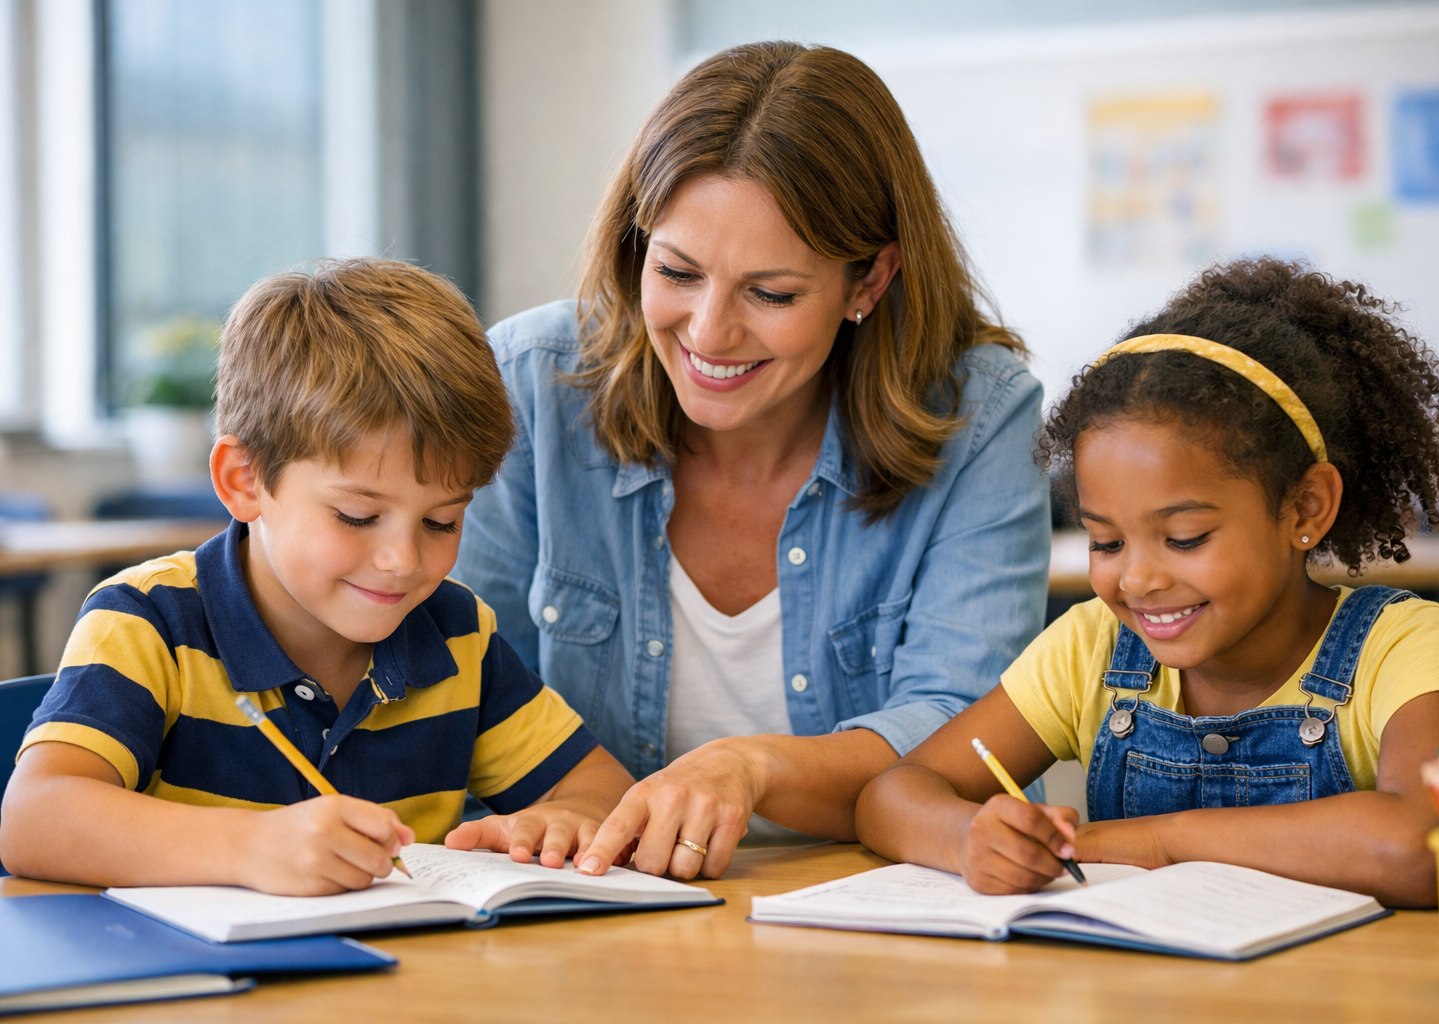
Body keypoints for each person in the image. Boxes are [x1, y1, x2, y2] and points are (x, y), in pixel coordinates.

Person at [453, 40, 1052, 880]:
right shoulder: (528, 385)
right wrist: (548, 817)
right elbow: (458, 691)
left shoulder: (979, 419)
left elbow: (961, 731)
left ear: (868, 282)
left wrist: (752, 766)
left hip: (863, 917)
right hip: (585, 908)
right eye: (677, 271)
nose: (707, 333)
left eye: (771, 294)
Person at [854, 256, 1439, 908]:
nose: (1136, 578)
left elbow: (1425, 844)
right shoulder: (1093, 648)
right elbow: (890, 795)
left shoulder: (1404, 646)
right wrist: (967, 836)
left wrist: (1156, 843)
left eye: (1185, 538)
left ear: (1305, 509)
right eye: (1106, 540)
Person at [0, 258, 633, 895]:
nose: (403, 560)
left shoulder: (455, 633)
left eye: (441, 522)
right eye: (357, 516)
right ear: (244, 482)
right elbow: (35, 819)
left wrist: (566, 821)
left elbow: (599, 787)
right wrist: (250, 848)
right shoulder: (149, 622)